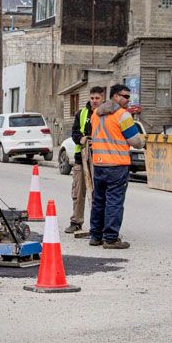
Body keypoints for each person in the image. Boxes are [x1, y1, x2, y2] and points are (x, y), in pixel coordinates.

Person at [88, 84, 144, 249]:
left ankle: (96, 236)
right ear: (115, 97)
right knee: (114, 201)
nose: (128, 99)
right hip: (117, 165)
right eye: (125, 96)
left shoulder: (96, 115)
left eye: (129, 96)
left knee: (99, 201)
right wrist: (143, 141)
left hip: (98, 163)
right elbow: (135, 141)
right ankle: (111, 238)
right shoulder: (123, 115)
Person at [65, 86, 105, 234]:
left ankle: (100, 225)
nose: (94, 101)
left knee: (99, 193)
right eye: (92, 98)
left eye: (97, 98)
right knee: (78, 191)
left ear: (103, 98)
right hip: (81, 158)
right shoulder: (81, 113)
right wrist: (81, 139)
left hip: (101, 159)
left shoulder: (106, 114)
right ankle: (76, 221)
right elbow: (75, 132)